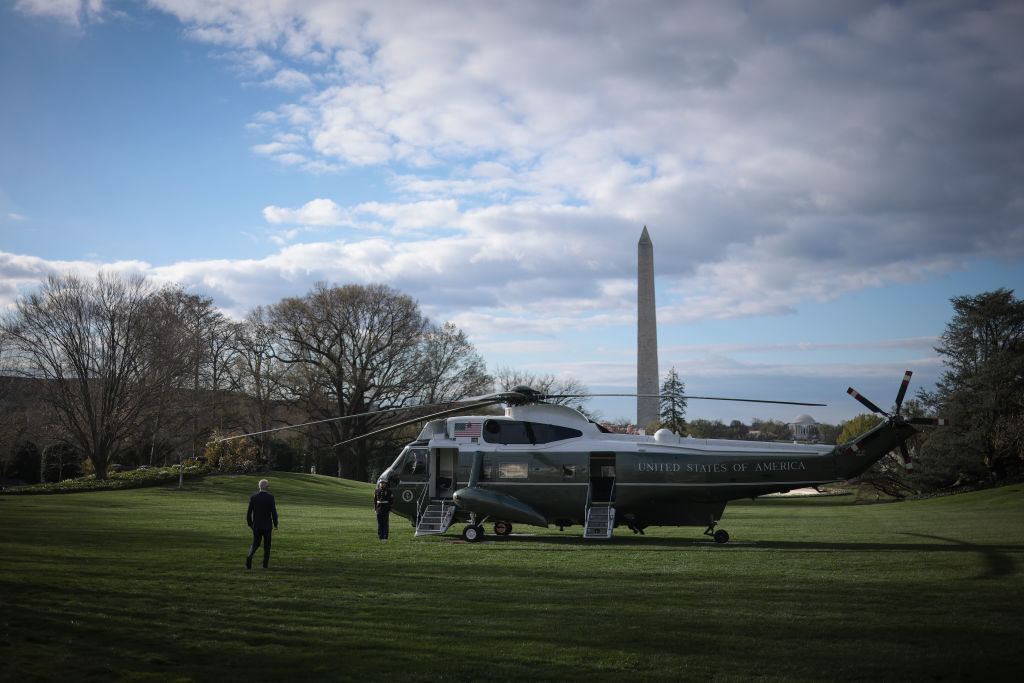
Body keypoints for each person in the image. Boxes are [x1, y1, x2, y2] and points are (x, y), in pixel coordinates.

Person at [246, 478, 278, 569]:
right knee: (267, 545)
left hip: (256, 525)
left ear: (259, 487)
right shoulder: (270, 497)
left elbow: (249, 513)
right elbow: (273, 512)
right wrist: (275, 524)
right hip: (267, 525)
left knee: (255, 543)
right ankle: (265, 564)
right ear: (267, 487)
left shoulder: (254, 497)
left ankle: (250, 556)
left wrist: (250, 524)